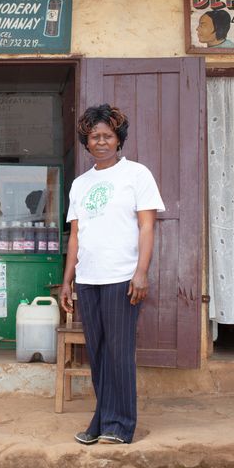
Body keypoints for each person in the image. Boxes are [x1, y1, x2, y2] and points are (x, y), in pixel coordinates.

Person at [59, 104, 165, 445]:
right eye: (94, 137)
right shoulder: (80, 184)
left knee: (119, 352)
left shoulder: (137, 175)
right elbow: (75, 234)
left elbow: (147, 226)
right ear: (85, 142)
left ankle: (120, 425)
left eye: (108, 136)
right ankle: (102, 419)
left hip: (122, 277)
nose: (101, 142)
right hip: (89, 279)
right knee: (98, 352)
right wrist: (67, 279)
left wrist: (141, 272)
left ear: (119, 139)